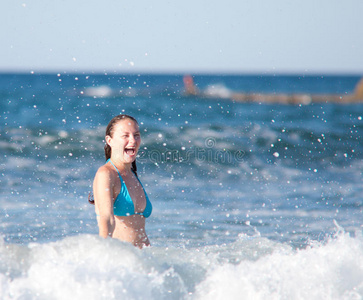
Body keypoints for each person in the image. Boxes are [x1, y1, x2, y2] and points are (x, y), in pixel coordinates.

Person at [89, 114, 152, 248]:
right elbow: (107, 220)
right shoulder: (106, 174)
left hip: (144, 260)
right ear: (109, 140)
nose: (133, 141)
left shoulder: (132, 174)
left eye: (136, 135)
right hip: (121, 262)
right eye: (125, 136)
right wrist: (103, 257)